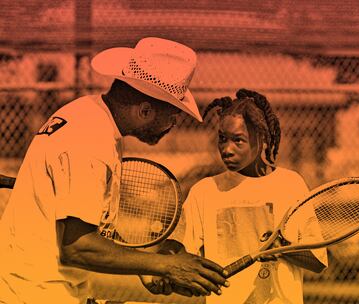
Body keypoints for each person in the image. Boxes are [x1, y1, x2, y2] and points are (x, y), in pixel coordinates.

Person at [0, 37, 229, 304]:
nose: (174, 125)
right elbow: (77, 248)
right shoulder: (91, 142)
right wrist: (165, 266)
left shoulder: (86, 112)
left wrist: (146, 261)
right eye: (173, 116)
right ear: (145, 110)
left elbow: (83, 222)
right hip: (35, 294)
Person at [177, 89, 328, 304]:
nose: (227, 149)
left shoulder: (290, 185)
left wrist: (284, 248)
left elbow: (318, 261)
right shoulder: (204, 191)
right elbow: (183, 256)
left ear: (263, 138)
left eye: (238, 140)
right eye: (222, 139)